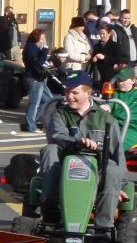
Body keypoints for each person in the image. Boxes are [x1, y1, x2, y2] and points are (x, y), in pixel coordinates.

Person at [40, 71, 126, 229]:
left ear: (88, 93)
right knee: (50, 149)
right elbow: (57, 136)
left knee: (113, 169)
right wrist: (77, 142)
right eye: (66, 92)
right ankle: (51, 216)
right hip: (64, 167)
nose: (69, 96)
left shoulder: (107, 119)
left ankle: (104, 227)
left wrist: (118, 185)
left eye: (74, 93)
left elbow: (117, 155)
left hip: (97, 170)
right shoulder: (60, 114)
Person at [23, 28, 52, 133]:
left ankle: (33, 120)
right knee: (34, 103)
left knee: (48, 99)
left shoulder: (34, 47)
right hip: (34, 78)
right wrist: (45, 50)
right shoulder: (31, 48)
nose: (43, 40)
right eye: (42, 37)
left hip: (40, 78)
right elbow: (38, 63)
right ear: (37, 37)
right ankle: (31, 125)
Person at [101, 67, 137, 151]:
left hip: (132, 128)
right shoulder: (113, 93)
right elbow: (109, 104)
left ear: (133, 80)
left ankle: (111, 162)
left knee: (113, 144)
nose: (120, 83)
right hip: (114, 126)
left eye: (123, 80)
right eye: (118, 80)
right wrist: (106, 106)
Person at [91, 23, 121, 88]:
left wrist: (104, 57)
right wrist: (94, 59)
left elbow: (118, 59)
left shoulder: (114, 45)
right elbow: (92, 60)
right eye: (100, 34)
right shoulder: (97, 46)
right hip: (99, 75)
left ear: (109, 34)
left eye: (103, 34)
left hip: (110, 74)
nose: (101, 36)